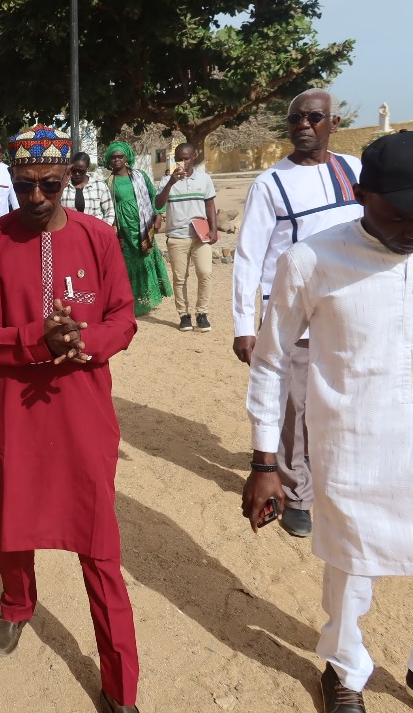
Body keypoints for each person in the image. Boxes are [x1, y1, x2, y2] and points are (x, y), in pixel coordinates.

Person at [0, 125, 142, 713]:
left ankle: (119, 682)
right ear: (11, 177)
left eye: (49, 185)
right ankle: (16, 606)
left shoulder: (100, 238)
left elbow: (123, 317)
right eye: (25, 184)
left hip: (82, 413)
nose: (36, 198)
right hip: (12, 412)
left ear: (70, 177)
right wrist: (36, 340)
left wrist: (85, 342)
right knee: (14, 520)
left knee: (98, 542)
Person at [242, 130, 413, 713]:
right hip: (352, 450)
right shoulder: (311, 261)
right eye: (400, 215)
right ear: (363, 196)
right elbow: (269, 364)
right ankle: (344, 671)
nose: (411, 229)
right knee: (349, 567)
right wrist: (265, 461)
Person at [232, 88, 362, 537]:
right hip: (293, 317)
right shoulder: (271, 183)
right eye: (295, 120)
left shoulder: (353, 171)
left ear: (334, 124)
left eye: (314, 118)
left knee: (338, 401)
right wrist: (243, 326)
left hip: (349, 314)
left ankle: (332, 479)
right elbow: (249, 257)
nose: (303, 126)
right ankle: (297, 492)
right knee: (292, 406)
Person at [155, 143, 218, 332]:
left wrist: (213, 229)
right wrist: (171, 182)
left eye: (187, 158)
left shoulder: (204, 179)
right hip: (177, 236)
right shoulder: (167, 180)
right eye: (179, 158)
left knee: (205, 273)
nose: (183, 161)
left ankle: (202, 313)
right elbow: (158, 204)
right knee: (179, 278)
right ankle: (184, 315)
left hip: (201, 235)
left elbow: (210, 205)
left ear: (194, 156)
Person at [104, 141, 172, 316]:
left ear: (127, 158)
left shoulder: (140, 176)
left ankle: (149, 299)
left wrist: (159, 215)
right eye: (113, 157)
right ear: (109, 161)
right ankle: (133, 302)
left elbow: (153, 196)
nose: (117, 160)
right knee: (128, 264)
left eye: (120, 156)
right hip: (123, 230)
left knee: (146, 259)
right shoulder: (108, 183)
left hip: (143, 226)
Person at [60, 151, 115, 226]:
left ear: (87, 168)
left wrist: (104, 230)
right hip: (70, 231)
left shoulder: (99, 186)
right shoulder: (63, 186)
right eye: (74, 170)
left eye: (81, 171)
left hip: (94, 231)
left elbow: (110, 211)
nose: (77, 174)